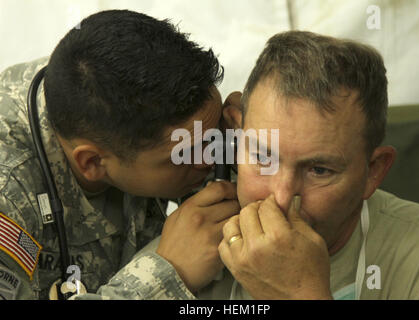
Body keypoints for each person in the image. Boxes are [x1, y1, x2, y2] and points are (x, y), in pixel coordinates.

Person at [89, 30, 419, 300]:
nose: (279, 198)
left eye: (319, 170)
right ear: (235, 133)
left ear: (373, 171)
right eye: (262, 157)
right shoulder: (191, 254)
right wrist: (169, 276)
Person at [0, 9, 240, 300]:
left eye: (214, 134)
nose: (212, 156)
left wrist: (246, 143)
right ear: (93, 162)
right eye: (189, 152)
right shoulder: (8, 189)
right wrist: (166, 276)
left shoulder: (113, 100)